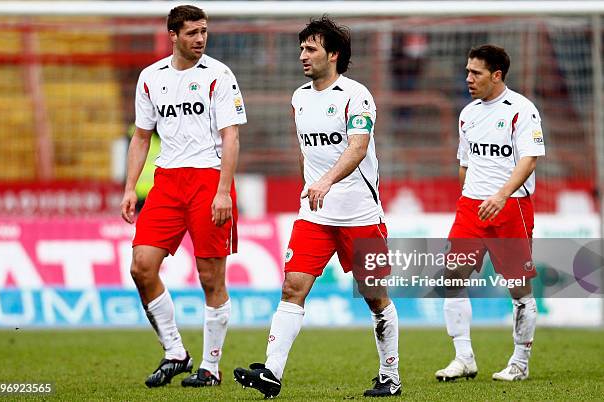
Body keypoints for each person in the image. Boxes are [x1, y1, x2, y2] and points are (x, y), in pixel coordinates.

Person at [233, 17, 402, 398]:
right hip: (314, 215)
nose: (302, 55)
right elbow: (304, 151)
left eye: (310, 48)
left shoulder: (356, 96)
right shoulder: (299, 98)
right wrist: (310, 187)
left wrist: (326, 180)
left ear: (334, 54)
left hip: (359, 214)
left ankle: (390, 376)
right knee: (293, 287)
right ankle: (272, 373)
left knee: (375, 297)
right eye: (301, 48)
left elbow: (357, 147)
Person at [120, 5, 246, 388]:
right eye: (192, 33)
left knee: (211, 277)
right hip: (167, 182)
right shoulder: (151, 78)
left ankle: (210, 366)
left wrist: (223, 189)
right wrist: (129, 186)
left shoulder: (219, 75)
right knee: (141, 267)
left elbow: (231, 135)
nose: (201, 39)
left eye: (204, 31)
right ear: (173, 35)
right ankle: (176, 352)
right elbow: (142, 137)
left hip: (209, 181)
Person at [435, 44, 545, 382]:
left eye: (475, 72)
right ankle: (463, 357)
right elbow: (464, 162)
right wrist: (469, 197)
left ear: (496, 75)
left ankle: (520, 363)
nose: (468, 78)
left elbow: (530, 158)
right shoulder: (467, 114)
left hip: (511, 207)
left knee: (518, 288)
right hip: (472, 208)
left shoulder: (522, 110)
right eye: (467, 71)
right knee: (451, 279)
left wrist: (501, 194)